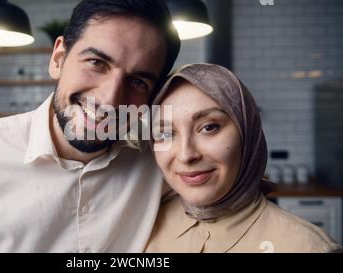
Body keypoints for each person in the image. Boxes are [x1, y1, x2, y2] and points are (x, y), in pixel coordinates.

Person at [0, 0, 180, 252]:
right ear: (58, 58)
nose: (109, 99)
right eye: (97, 63)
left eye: (137, 82)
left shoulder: (162, 160)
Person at [145, 64, 341, 253]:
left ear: (247, 133)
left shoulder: (308, 248)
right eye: (165, 134)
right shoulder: (144, 226)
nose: (186, 155)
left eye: (209, 127)